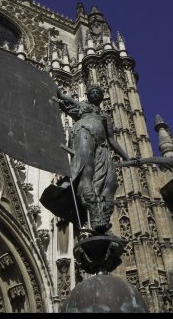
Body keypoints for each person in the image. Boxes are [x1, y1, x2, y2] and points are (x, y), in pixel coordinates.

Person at [56, 83, 139, 233]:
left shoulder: (105, 116)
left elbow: (112, 140)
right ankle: (95, 216)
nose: (95, 94)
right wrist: (47, 76)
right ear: (88, 95)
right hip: (83, 135)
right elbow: (61, 96)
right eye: (92, 92)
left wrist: (128, 157)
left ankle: (103, 217)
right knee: (86, 173)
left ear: (101, 97)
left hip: (102, 148)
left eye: (97, 92)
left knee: (111, 182)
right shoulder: (82, 106)